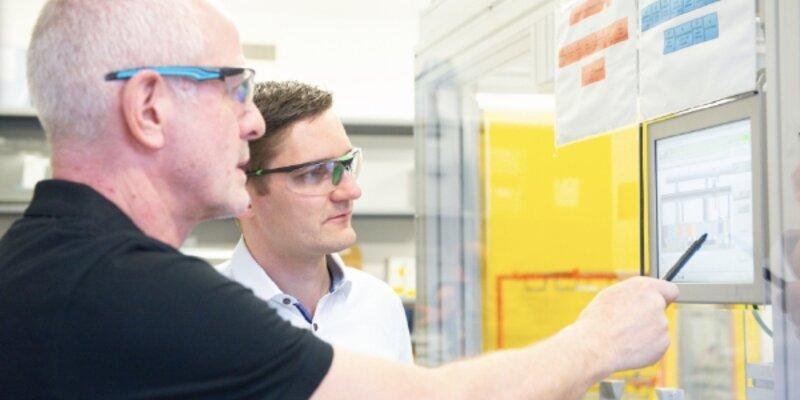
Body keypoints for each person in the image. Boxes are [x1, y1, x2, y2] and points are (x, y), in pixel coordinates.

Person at [0, 0, 678, 399]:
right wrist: (597, 341)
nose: (251, 121)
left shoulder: (40, 264)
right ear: (149, 107)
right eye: (233, 89)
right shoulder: (135, 294)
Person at [217, 81, 412, 362]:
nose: (351, 191)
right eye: (314, 173)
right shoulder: (200, 318)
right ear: (243, 195)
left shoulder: (380, 304)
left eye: (347, 164)